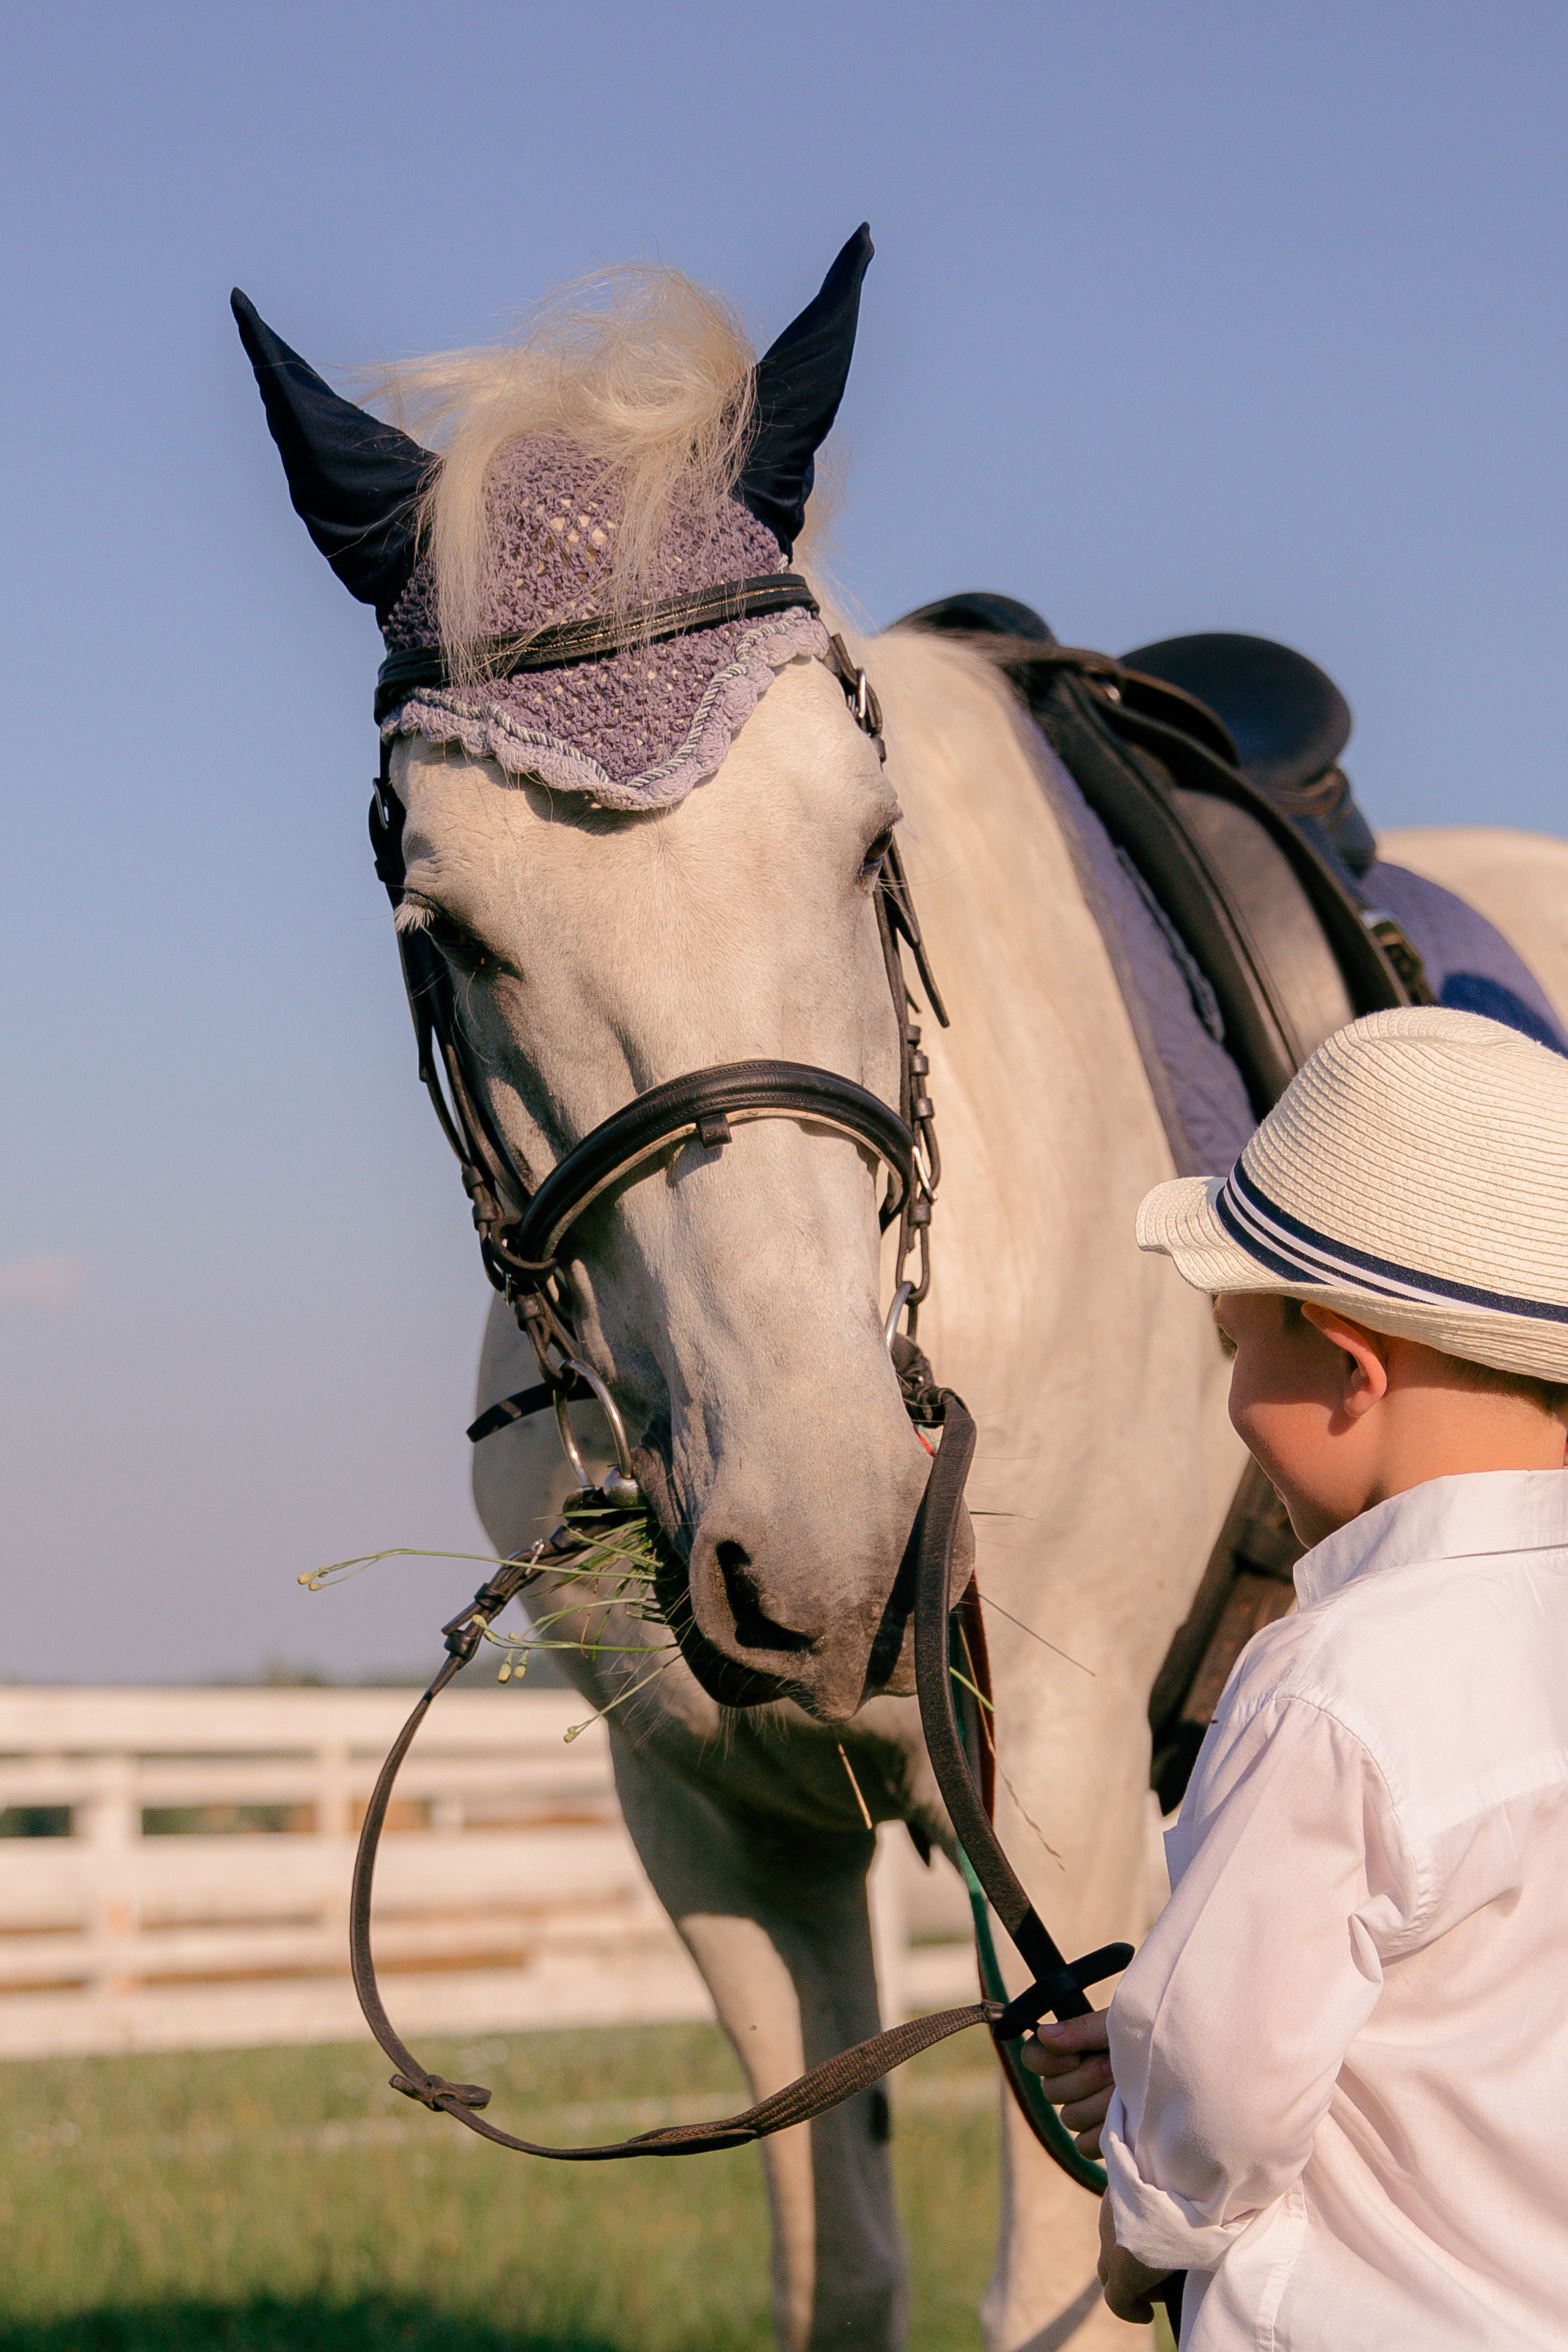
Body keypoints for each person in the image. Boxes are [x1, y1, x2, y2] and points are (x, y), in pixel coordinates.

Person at [1024, 1007, 1568, 2346]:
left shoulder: (1329, 1683)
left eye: (1233, 1347)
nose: (1226, 1401)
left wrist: (1145, 2218)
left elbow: (1222, 2093)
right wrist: (1157, 2036)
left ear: (1343, 1364)